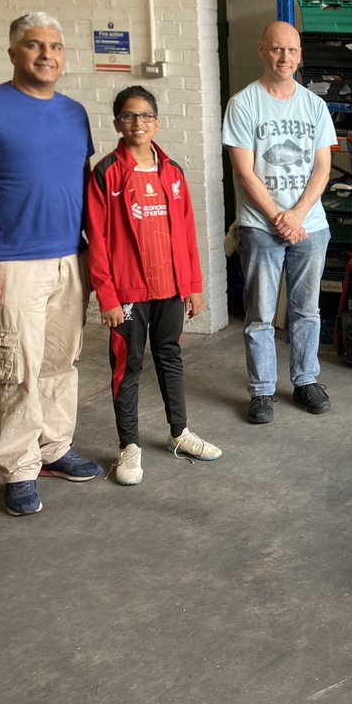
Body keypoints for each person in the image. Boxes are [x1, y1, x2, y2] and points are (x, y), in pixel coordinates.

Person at [0, 12, 103, 516]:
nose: (47, 54)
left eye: (55, 46)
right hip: (12, 263)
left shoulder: (75, 112)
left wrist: (94, 253)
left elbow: (83, 184)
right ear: (13, 53)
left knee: (60, 362)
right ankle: (19, 467)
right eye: (34, 46)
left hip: (69, 259)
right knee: (19, 370)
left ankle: (54, 448)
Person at [86, 86, 221, 486]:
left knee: (171, 359)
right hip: (127, 294)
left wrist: (193, 286)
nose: (138, 123)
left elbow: (186, 234)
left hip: (169, 290)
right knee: (127, 368)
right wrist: (107, 296)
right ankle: (128, 446)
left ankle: (179, 433)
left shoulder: (172, 172)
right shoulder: (107, 172)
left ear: (157, 122)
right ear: (117, 124)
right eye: (129, 116)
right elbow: (98, 238)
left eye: (145, 116)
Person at [223, 22, 336, 424]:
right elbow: (244, 171)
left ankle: (305, 381)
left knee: (307, 310)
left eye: (291, 50)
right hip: (259, 225)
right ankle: (262, 391)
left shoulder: (313, 105)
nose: (284, 57)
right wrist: (277, 217)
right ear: (262, 51)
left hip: (310, 225)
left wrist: (298, 215)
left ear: (300, 54)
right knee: (260, 314)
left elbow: (323, 167)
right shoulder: (243, 104)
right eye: (276, 49)